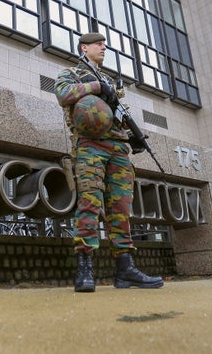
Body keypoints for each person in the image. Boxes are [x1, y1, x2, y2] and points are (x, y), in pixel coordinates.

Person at [54, 32, 163, 292]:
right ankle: (84, 268)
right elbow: (63, 94)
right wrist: (96, 87)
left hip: (117, 147)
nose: (104, 47)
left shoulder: (110, 81)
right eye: (98, 44)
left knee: (121, 207)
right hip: (90, 145)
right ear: (84, 48)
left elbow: (116, 115)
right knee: (89, 203)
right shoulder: (72, 73)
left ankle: (125, 270)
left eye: (104, 44)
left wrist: (132, 136)